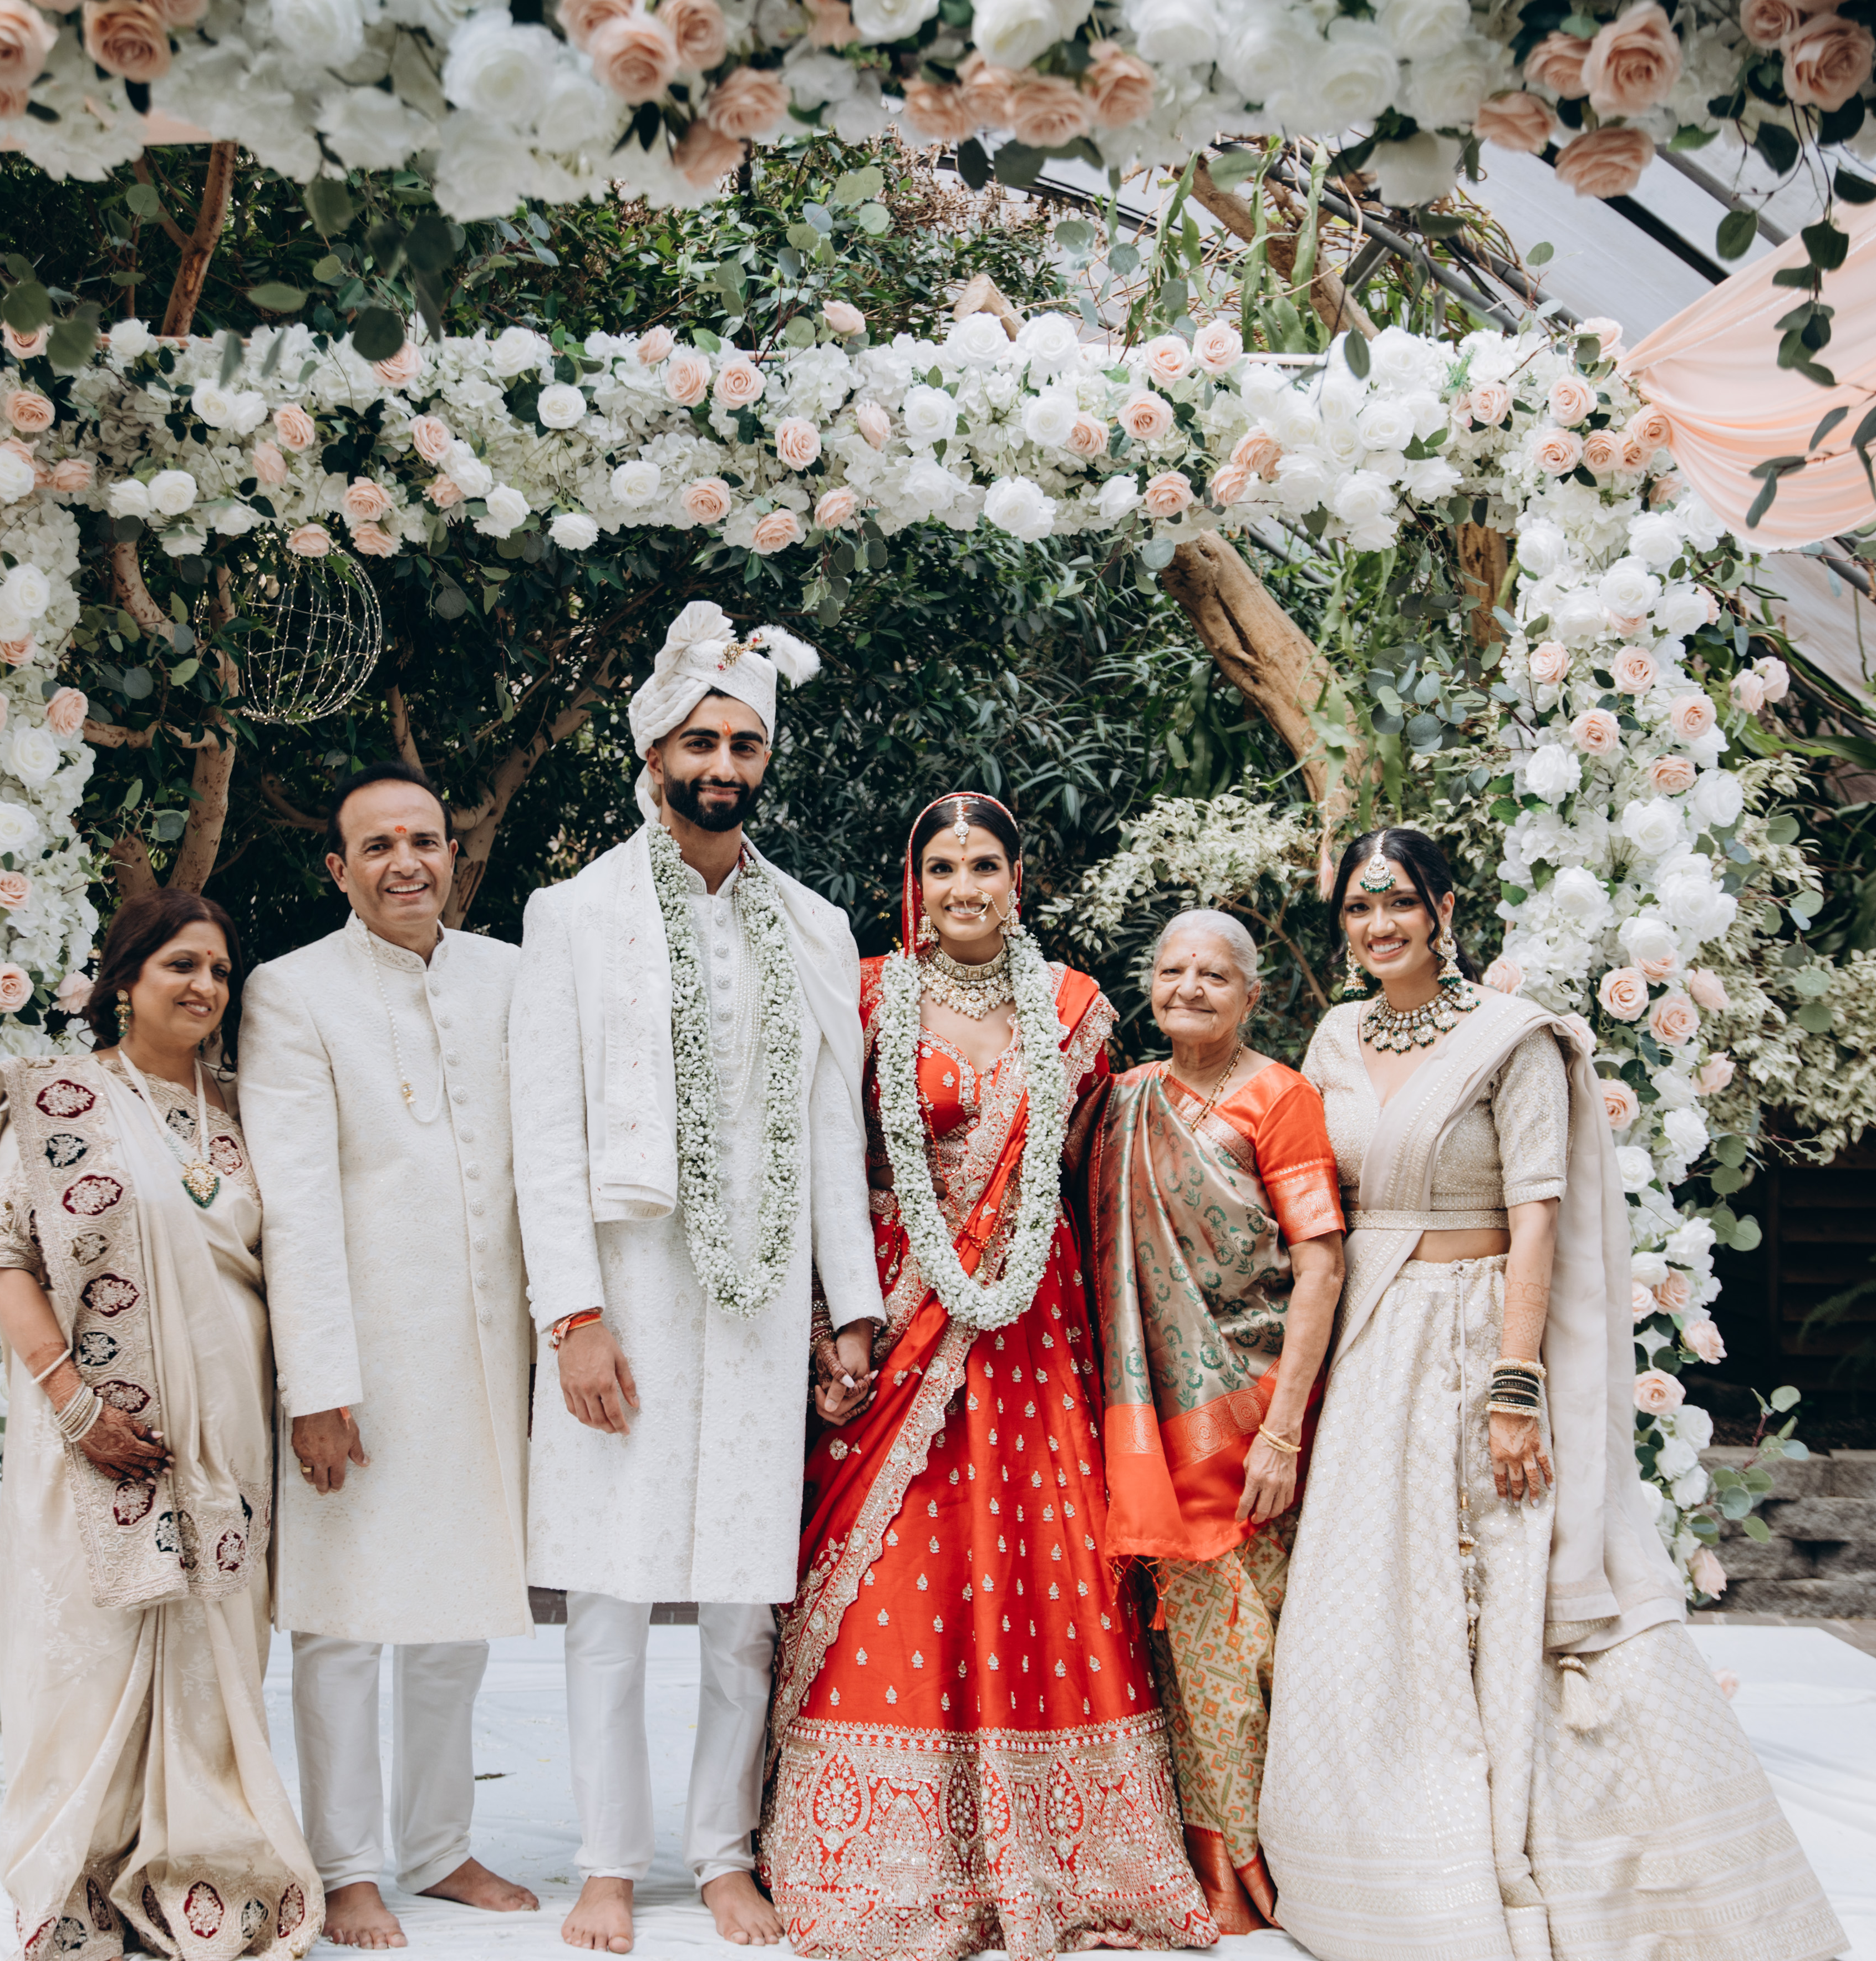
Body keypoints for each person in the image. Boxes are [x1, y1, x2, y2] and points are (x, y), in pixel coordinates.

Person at [1259, 827, 1844, 1961]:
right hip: (1369, 1346)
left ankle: (1543, 1839)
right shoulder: (1334, 1037)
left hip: (1477, 1331)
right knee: (1371, 1586)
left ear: (1444, 909)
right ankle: (1375, 1853)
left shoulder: (1512, 1040)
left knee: (1494, 1574)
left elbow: (1538, 1219)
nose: (1378, 925)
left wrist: (1515, 1387)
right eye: (1358, 909)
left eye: (1398, 902)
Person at [760, 794, 1217, 1961]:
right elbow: (827, 1165)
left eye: (985, 865)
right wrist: (830, 1323)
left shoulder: (1074, 1008)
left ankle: (1071, 1855)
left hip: (1033, 1328)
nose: (964, 886)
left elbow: (1094, 1177)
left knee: (1038, 1560)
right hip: (899, 1316)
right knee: (896, 1561)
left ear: (1020, 879)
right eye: (943, 866)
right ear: (914, 883)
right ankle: (884, 1860)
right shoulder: (867, 994)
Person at [510, 602, 885, 1954]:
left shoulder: (814, 925)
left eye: (743, 744)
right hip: (624, 1285)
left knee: (741, 1594)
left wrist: (849, 1309)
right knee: (608, 1592)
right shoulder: (574, 915)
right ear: (653, 753)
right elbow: (544, 1130)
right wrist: (571, 1315)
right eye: (698, 741)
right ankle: (608, 1861)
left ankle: (721, 1852)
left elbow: (833, 1130)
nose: (721, 764)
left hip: (762, 1290)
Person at [0, 890, 322, 1960]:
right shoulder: (60, 1101)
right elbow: (5, 1259)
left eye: (218, 969)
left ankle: (204, 1869)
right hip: (93, 1440)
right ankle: (79, 1877)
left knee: (214, 1652)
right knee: (94, 1650)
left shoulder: (248, 1109)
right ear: (124, 979)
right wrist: (76, 1404)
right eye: (181, 964)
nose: (205, 986)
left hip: (229, 1437)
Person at [239, 761, 539, 1948]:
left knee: (458, 1614)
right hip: (358, 1360)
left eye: (423, 839)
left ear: (453, 854)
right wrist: (317, 1385)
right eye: (377, 846)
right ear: (339, 868)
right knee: (345, 1622)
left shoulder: (511, 975)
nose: (405, 862)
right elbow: (297, 1201)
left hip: (486, 1355)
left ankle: (439, 1844)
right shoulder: (291, 990)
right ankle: (347, 1864)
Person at [1088, 910, 1344, 1935]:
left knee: (1248, 1650)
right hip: (1149, 1416)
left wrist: (1282, 1432)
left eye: (1213, 974)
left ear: (1250, 994)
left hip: (1251, 1413)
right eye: (1171, 970)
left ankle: (1263, 1863)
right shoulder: (1120, 1101)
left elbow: (1321, 1263)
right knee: (1183, 1649)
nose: (1188, 987)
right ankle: (1201, 1860)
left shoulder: (1281, 1098)